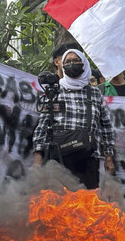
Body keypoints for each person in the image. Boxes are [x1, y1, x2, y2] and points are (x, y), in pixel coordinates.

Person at [32, 49, 115, 189]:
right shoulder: (54, 91)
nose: (72, 64)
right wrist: (38, 157)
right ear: (62, 66)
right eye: (68, 61)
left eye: (76, 61)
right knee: (57, 203)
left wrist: (108, 156)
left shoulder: (94, 93)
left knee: (87, 203)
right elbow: (42, 125)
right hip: (58, 159)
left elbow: (106, 127)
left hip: (88, 159)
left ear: (84, 64)